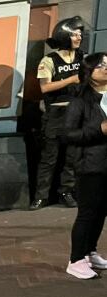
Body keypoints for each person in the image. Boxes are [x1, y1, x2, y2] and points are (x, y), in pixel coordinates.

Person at [58, 53, 107, 279]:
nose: (105, 68)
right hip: (90, 165)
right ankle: (76, 259)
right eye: (101, 65)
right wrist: (100, 130)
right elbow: (68, 134)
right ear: (89, 72)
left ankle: (90, 251)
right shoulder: (80, 101)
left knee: (101, 212)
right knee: (87, 213)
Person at [30, 16, 86, 211]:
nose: (79, 37)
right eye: (74, 34)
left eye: (80, 34)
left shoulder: (83, 59)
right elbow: (45, 88)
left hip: (77, 114)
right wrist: (71, 79)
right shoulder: (49, 60)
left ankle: (66, 192)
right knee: (49, 158)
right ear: (64, 35)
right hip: (55, 114)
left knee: (72, 158)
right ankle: (41, 196)